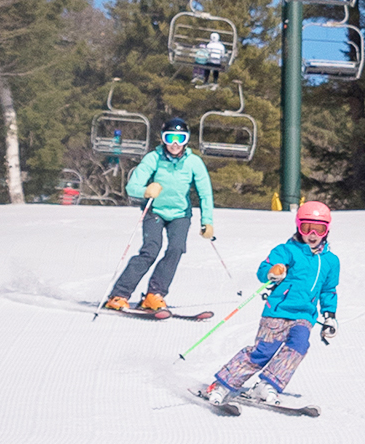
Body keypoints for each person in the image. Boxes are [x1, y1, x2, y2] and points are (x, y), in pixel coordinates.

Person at [204, 201, 340, 407]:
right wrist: (273, 271)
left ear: (327, 230)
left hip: (304, 316)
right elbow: (264, 269)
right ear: (298, 227)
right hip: (277, 312)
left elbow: (329, 290)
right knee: (263, 352)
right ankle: (223, 384)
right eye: (306, 228)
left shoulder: (331, 261)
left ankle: (268, 385)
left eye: (319, 229)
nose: (312, 234)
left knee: (299, 346)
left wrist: (330, 316)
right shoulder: (287, 250)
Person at [103, 118, 214, 312]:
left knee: (176, 249)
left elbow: (205, 193)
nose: (175, 143)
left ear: (186, 140)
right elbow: (133, 187)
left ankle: (155, 294)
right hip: (155, 211)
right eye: (170, 137)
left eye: (180, 138)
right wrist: (146, 191)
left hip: (180, 214)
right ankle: (119, 295)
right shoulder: (153, 158)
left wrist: (207, 222)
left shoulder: (194, 162)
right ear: (163, 139)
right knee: (150, 250)